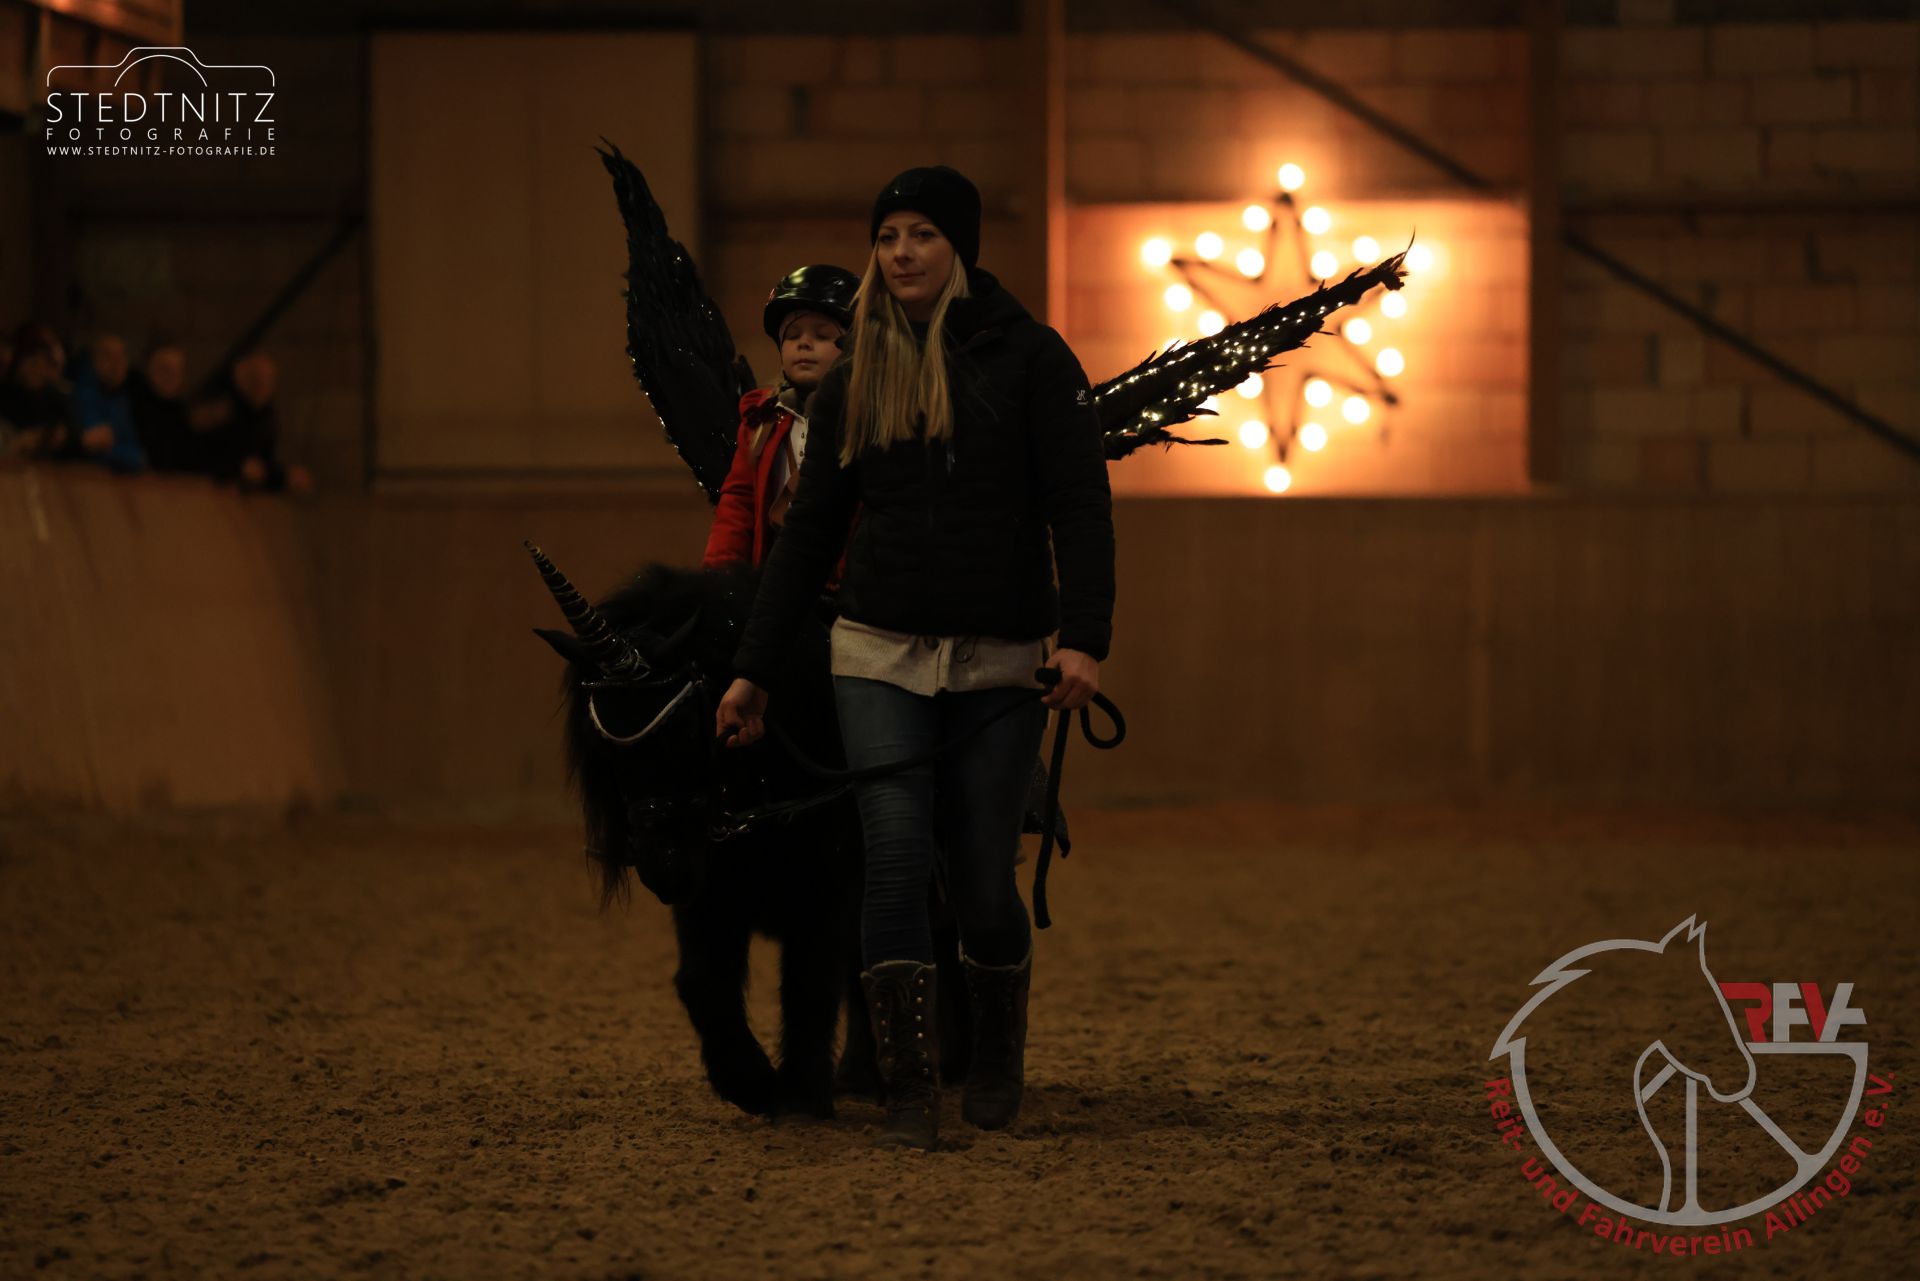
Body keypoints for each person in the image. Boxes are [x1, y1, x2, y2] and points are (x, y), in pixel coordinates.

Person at [715, 166, 1115, 1151]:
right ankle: (905, 1089)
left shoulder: (1033, 359)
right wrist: (753, 668)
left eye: (923, 234)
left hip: (1000, 661)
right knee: (892, 861)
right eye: (888, 236)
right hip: (876, 654)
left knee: (980, 881)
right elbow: (810, 534)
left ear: (960, 247)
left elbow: (1081, 505)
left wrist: (1085, 640)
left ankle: (997, 1053)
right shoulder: (858, 373)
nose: (902, 252)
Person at [702, 264, 860, 584]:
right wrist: (721, 579)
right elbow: (739, 504)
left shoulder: (869, 418)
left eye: (822, 335)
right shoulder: (762, 420)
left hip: (849, 588)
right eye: (792, 335)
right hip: (777, 584)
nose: (804, 343)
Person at [67, 335, 147, 473]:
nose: (117, 364)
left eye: (121, 356)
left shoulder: (124, 399)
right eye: (108, 356)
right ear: (94, 361)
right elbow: (95, 448)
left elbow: (137, 454)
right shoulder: (82, 396)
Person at [0, 322, 70, 463]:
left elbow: (73, 436)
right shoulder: (6, 393)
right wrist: (17, 445)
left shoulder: (55, 397)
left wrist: (60, 439)